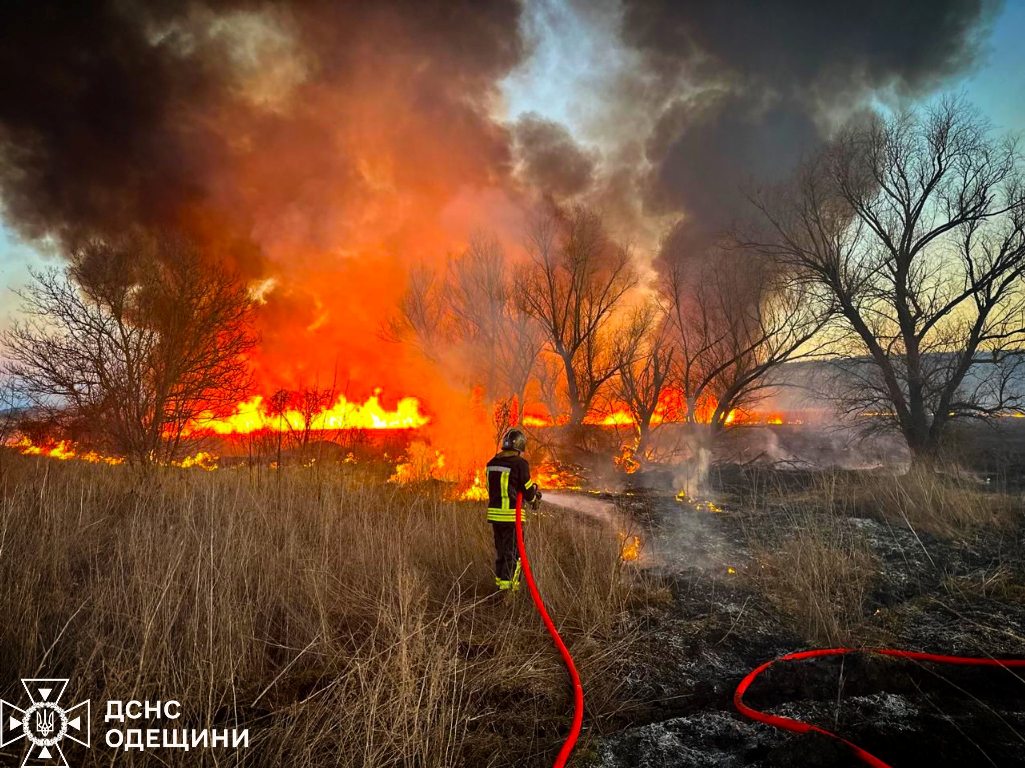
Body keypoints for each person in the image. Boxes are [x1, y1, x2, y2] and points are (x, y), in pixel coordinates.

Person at [485, 428, 541, 591]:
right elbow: (527, 489)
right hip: (511, 516)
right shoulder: (520, 464)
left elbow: (490, 487)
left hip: (495, 516)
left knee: (502, 554)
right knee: (515, 556)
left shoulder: (491, 463)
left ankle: (500, 587)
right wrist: (534, 499)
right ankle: (510, 591)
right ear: (520, 448)